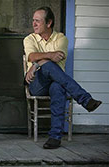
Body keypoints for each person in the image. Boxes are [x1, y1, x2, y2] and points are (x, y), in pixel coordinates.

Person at [23, 6, 102, 149]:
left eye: (38, 21)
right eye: (33, 20)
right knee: (48, 65)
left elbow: (56, 58)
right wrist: (44, 58)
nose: (33, 24)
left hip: (56, 82)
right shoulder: (29, 39)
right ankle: (85, 99)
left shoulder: (61, 38)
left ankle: (54, 137)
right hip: (36, 83)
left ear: (49, 23)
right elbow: (31, 56)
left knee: (58, 86)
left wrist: (36, 63)